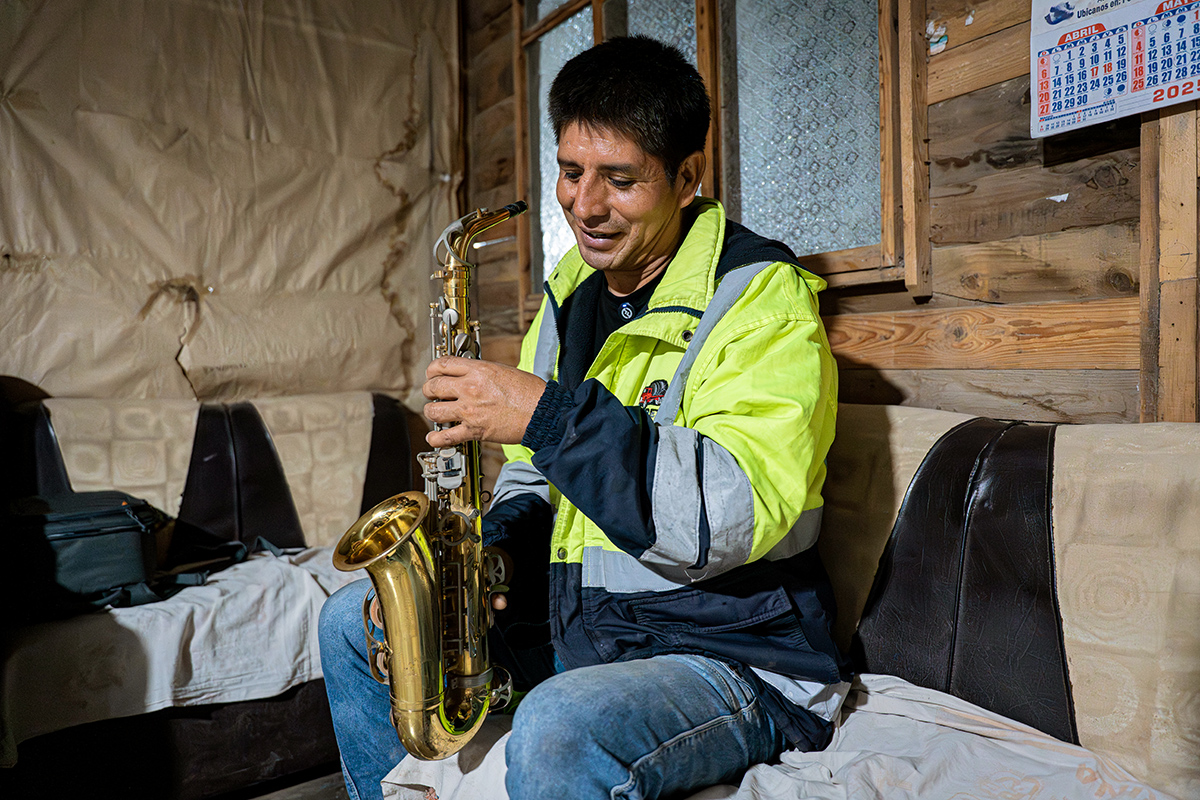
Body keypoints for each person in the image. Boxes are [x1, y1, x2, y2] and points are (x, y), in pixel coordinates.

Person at [319, 35, 848, 800]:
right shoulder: (571, 295)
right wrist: (487, 553)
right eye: (571, 172)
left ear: (688, 178)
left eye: (621, 179)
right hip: (591, 631)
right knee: (347, 623)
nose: (585, 205)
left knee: (560, 724)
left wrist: (544, 413)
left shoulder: (761, 298)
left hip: (732, 652)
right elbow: (537, 477)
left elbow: (731, 512)